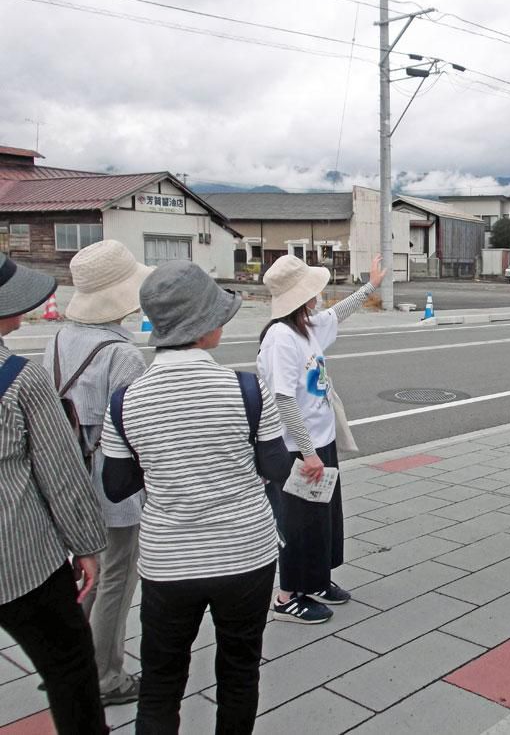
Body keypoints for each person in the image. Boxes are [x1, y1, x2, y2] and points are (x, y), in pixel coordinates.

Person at [101, 261, 292, 734]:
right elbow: (276, 467)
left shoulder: (127, 399)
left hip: (169, 562)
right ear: (205, 328)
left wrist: (167, 465)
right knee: (240, 670)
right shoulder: (246, 389)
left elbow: (116, 485)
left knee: (163, 681)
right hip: (245, 553)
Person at [0, 253, 109, 734]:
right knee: (68, 664)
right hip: (21, 557)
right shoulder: (19, 378)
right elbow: (60, 472)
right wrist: (87, 545)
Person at [42, 240, 151, 707]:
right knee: (115, 580)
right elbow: (136, 432)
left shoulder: (60, 340)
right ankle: (107, 675)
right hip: (114, 492)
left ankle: (68, 662)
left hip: (68, 482)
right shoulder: (121, 353)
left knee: (84, 574)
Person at [258, 254, 386, 623]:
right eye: (312, 289)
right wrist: (309, 453)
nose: (319, 295)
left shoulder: (306, 326)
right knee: (296, 522)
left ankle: (315, 581)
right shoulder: (281, 337)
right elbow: (283, 399)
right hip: (296, 449)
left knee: (322, 519)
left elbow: (337, 314)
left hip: (319, 441)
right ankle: (286, 597)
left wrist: (370, 286)